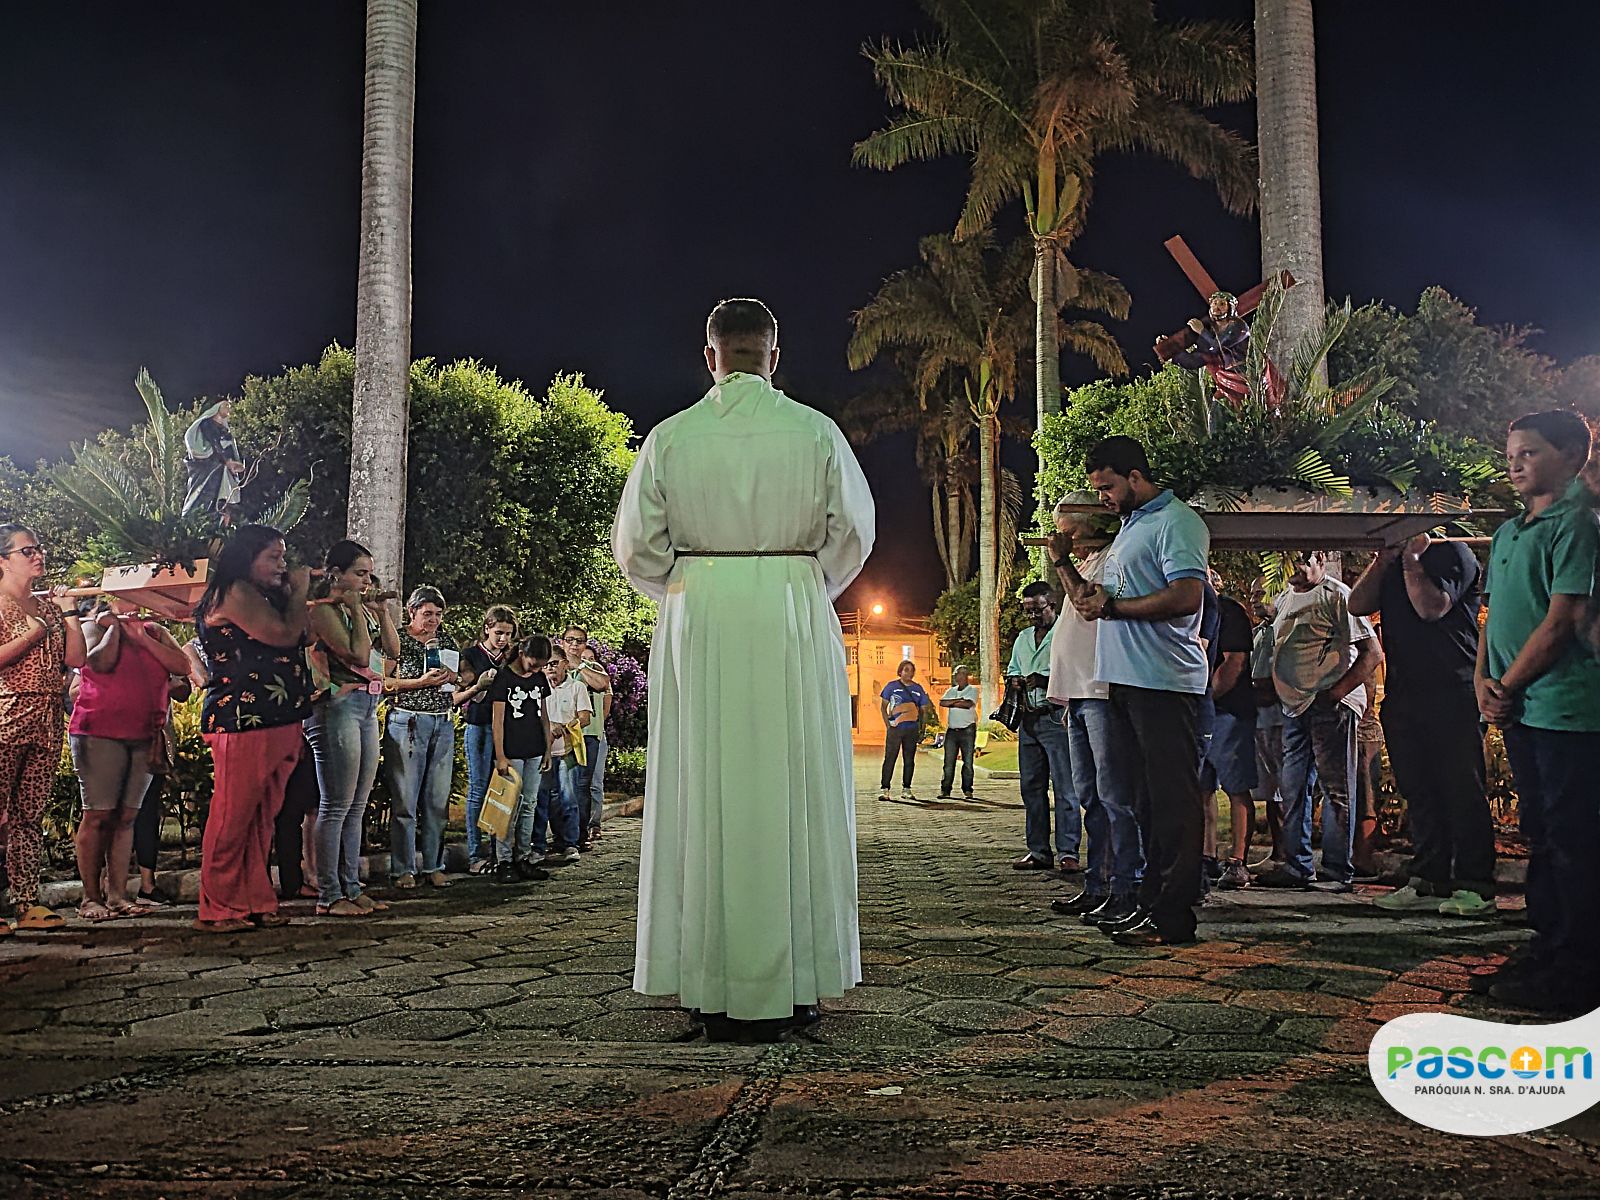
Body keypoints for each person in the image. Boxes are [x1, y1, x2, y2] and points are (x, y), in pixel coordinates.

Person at [612, 297, 874, 1041]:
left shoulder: (671, 437)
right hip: (792, 605)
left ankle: (708, 983)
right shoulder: (815, 431)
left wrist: (689, 585)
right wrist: (805, 583)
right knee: (797, 785)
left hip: (700, 609)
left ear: (711, 356)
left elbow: (637, 548)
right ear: (774, 356)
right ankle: (798, 981)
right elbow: (853, 533)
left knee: (701, 786)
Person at [1475, 411, 1600, 1013]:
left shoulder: (1578, 523)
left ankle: (1579, 966)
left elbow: (1563, 619)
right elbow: (1492, 617)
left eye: (1529, 452)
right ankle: (1548, 946)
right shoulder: (1508, 532)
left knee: (1573, 837)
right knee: (1542, 834)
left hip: (1565, 708)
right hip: (1521, 709)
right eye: (1511, 454)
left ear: (1573, 454)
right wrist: (1482, 680)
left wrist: (1507, 684)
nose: (1515, 463)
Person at [1066, 436, 1209, 947]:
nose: (1102, 498)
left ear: (1135, 476)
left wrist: (1115, 608)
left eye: (1107, 487)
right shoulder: (1131, 527)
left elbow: (1187, 595)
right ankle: (1149, 906)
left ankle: (1174, 918)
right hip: (1127, 684)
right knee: (1144, 803)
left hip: (1165, 683)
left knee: (1172, 804)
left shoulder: (1177, 522)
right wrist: (1089, 589)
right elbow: (1104, 600)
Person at [1351, 533, 1492, 916]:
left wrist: (1413, 560)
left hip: (1452, 691)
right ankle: (1429, 879)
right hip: (1405, 695)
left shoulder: (1453, 553)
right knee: (1419, 791)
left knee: (1462, 790)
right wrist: (1384, 560)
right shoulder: (1392, 563)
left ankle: (1475, 885)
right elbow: (1357, 604)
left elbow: (1432, 608)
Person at [191, 525, 314, 933]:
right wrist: (299, 592)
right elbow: (282, 634)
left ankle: (255, 899)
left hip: (279, 716)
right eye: (273, 557)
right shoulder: (233, 591)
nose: (282, 565)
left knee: (262, 816)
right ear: (247, 559)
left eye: (283, 557)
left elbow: (305, 635)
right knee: (234, 814)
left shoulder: (265, 596)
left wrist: (294, 594)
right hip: (242, 719)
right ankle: (218, 905)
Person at [1257, 551, 1384, 892]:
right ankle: (1297, 865)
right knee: (1293, 786)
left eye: (1301, 560)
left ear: (1321, 561)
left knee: (1336, 788)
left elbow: (1372, 652)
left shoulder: (1338, 595)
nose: (1293, 568)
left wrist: (1336, 693)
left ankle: (1337, 870)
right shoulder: (1284, 597)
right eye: (1287, 560)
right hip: (1293, 706)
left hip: (1330, 705)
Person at [1045, 493, 1143, 924]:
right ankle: (1098, 885)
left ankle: (1127, 886)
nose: (1061, 537)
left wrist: (1060, 561)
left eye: (1066, 529)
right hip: (1080, 696)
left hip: (1102, 693)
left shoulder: (1110, 560)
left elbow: (1087, 606)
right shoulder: (1086, 563)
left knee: (1115, 796)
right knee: (1090, 796)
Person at [69, 599, 192, 921]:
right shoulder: (93, 627)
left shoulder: (156, 631)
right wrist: (115, 629)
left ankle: (118, 894)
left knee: (127, 816)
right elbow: (99, 662)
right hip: (98, 731)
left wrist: (142, 637)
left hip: (144, 734)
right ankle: (91, 897)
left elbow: (182, 667)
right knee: (98, 814)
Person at [305, 541, 400, 917]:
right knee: (335, 804)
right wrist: (357, 609)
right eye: (359, 574)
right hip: (335, 707)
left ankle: (351, 886)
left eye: (369, 575)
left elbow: (392, 651)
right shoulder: (323, 610)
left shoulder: (359, 608)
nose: (366, 582)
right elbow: (359, 655)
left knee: (357, 806)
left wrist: (382, 612)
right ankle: (329, 894)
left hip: (366, 706)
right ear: (336, 574)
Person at [0, 525, 87, 933]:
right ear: (3, 560)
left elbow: (76, 659)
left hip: (47, 717)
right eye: (27, 550)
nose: (38, 555)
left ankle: (26, 902)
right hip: (6, 715)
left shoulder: (47, 606)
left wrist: (69, 613)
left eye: (40, 548)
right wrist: (34, 633)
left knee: (29, 814)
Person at [383, 586, 459, 889]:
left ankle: (433, 865)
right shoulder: (397, 641)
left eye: (438, 614)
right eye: (427, 614)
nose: (433, 620)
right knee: (405, 800)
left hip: (442, 721)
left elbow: (457, 678)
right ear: (411, 612)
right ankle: (403, 868)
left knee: (437, 801)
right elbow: (382, 681)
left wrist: (453, 678)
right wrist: (418, 682)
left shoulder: (446, 641)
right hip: (408, 721)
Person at [1007, 581, 1079, 872]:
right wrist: (1015, 681)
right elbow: (1013, 668)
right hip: (1028, 718)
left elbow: (1076, 672)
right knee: (1031, 787)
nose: (1033, 616)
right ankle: (1038, 850)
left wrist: (1045, 681)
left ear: (1052, 605)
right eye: (1028, 611)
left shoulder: (1067, 634)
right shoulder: (1023, 638)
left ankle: (1068, 852)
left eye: (1038, 609)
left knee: (1065, 787)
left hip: (1055, 717)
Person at [454, 605, 519, 873]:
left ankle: (498, 851)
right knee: (478, 788)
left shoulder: (512, 657)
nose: (503, 639)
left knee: (501, 790)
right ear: (487, 629)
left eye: (508, 634)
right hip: (480, 724)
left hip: (506, 728)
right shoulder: (471, 655)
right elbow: (462, 687)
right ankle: (475, 854)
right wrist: (477, 685)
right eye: (498, 633)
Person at [1204, 575, 1259, 891]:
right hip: (1198, 712)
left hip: (1229, 711)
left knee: (1236, 786)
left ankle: (1238, 860)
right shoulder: (1191, 612)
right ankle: (1206, 855)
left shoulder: (1229, 612)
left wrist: (1206, 699)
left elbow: (1234, 662)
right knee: (1201, 787)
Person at [489, 635, 554, 884]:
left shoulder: (539, 679)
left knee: (529, 804)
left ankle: (523, 856)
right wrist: (500, 755)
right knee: (509, 805)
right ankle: (503, 859)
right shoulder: (504, 678)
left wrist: (547, 749)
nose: (535, 670)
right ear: (522, 654)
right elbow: (497, 721)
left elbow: (544, 715)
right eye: (533, 664)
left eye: (540, 666)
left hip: (534, 749)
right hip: (512, 751)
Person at [537, 645, 592, 865]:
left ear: (565, 664)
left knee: (568, 798)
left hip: (568, 750)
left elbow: (585, 717)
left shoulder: (577, 687)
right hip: (543, 752)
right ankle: (539, 845)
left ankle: (571, 842)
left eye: (554, 664)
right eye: (546, 665)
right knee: (542, 800)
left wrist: (566, 726)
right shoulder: (539, 688)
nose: (550, 669)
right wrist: (548, 727)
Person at [560, 624, 613, 848]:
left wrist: (579, 665)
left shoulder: (593, 667)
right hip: (560, 734)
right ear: (562, 642)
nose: (574, 644)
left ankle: (580, 836)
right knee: (560, 787)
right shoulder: (556, 666)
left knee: (582, 785)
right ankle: (562, 836)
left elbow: (602, 684)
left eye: (579, 641)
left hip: (588, 734)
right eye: (570, 640)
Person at [182, 400, 245, 518]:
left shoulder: (223, 428)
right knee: (204, 496)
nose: (228, 408)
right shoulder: (207, 424)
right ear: (216, 408)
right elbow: (216, 444)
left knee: (220, 499)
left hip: (220, 468)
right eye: (225, 405)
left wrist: (234, 463)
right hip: (208, 468)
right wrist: (227, 461)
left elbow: (228, 446)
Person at [878, 660, 931, 801]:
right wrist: (888, 725)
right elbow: (883, 707)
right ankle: (885, 789)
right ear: (900, 671)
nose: (909, 673)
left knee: (909, 759)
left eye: (912, 670)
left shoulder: (918, 689)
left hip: (911, 729)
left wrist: (922, 729)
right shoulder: (891, 686)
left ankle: (906, 788)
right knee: (890, 758)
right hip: (895, 729)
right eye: (906, 670)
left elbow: (924, 710)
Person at [579, 641, 613, 841]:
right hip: (576, 734)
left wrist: (597, 724)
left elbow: (606, 707)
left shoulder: (599, 675)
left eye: (591, 659)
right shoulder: (574, 675)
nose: (587, 662)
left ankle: (594, 824)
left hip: (596, 734)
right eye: (584, 659)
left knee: (595, 782)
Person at [936, 664, 978, 800]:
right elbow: (942, 703)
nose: (957, 676)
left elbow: (968, 704)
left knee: (968, 762)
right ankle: (945, 790)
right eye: (956, 674)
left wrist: (952, 703)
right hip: (952, 731)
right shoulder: (951, 690)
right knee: (948, 763)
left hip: (967, 730)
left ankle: (967, 789)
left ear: (966, 676)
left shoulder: (972, 690)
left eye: (959, 674)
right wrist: (958, 700)